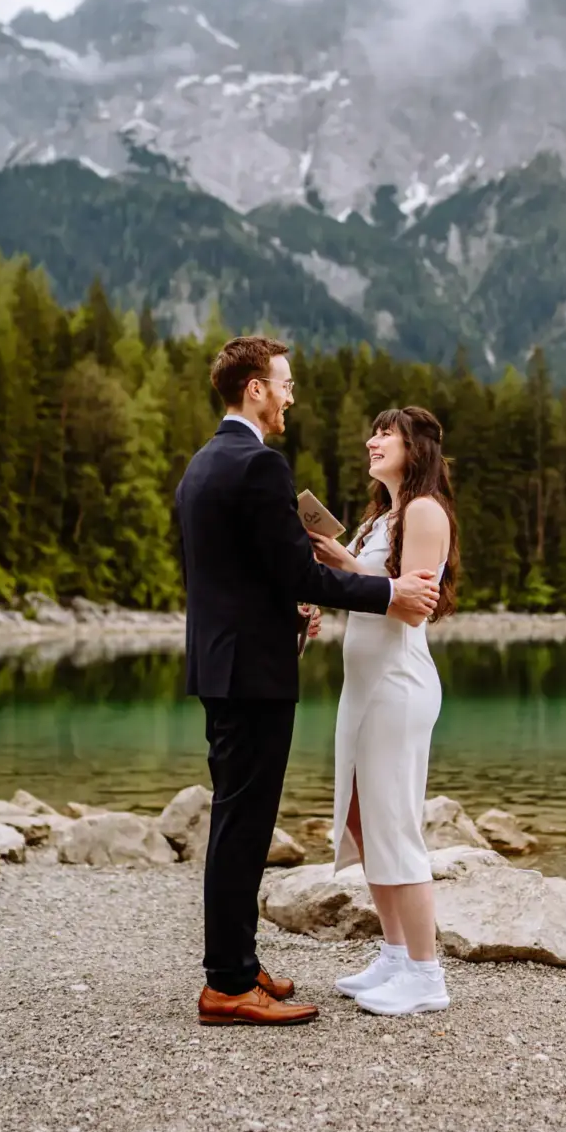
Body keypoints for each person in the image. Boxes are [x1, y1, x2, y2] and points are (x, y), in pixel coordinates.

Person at [175, 339, 441, 1027]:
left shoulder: (204, 464)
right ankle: (228, 982)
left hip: (223, 663)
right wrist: (384, 595)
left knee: (240, 819)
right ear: (257, 388)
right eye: (286, 385)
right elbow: (292, 572)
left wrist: (289, 614)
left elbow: (237, 576)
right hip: (252, 676)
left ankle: (238, 962)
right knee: (243, 825)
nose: (291, 397)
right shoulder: (259, 465)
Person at [310, 406, 459, 1016]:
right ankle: (395, 955)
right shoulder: (379, 519)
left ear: (414, 447)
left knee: (394, 825)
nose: (372, 441)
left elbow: (413, 607)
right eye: (371, 431)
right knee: (360, 822)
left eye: (386, 434)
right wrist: (323, 589)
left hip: (398, 682)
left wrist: (344, 570)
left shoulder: (423, 512)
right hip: (363, 685)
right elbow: (367, 590)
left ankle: (427, 976)